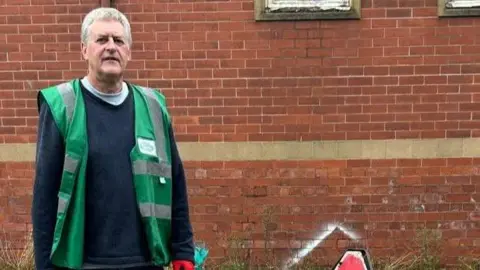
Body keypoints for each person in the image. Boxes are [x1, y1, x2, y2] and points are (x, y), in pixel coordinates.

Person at [31, 7, 195, 270]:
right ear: (84, 49)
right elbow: (45, 198)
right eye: (102, 39)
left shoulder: (153, 107)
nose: (111, 47)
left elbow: (175, 182)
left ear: (128, 51)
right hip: (82, 263)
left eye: (118, 41)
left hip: (145, 262)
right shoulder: (61, 106)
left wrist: (183, 250)